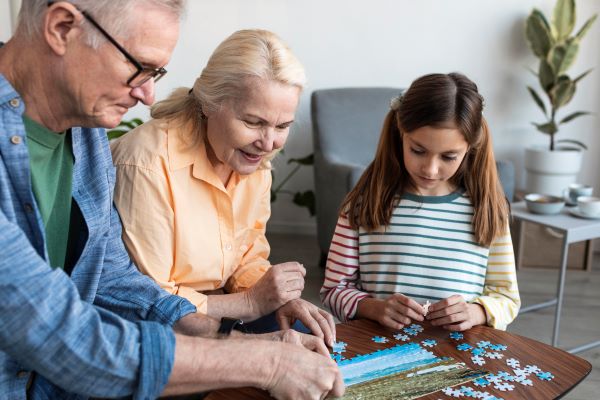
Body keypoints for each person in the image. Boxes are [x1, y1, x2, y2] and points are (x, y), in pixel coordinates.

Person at [0, 1, 343, 399]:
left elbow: (116, 281)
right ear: (61, 28)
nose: (149, 95)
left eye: (155, 73)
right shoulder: (135, 149)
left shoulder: (86, 131)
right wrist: (263, 361)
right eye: (139, 66)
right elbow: (62, 335)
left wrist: (235, 338)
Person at [110, 29, 336, 343]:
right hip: (155, 329)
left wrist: (283, 298)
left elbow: (246, 258)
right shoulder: (146, 161)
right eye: (253, 122)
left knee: (309, 335)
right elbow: (150, 303)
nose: (268, 142)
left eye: (282, 126)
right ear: (208, 104)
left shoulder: (254, 159)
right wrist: (251, 303)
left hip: (223, 308)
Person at [320, 73, 520, 332]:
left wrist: (476, 311)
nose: (430, 169)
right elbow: (334, 290)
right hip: (380, 355)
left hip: (461, 359)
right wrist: (375, 308)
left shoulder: (488, 210)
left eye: (448, 156)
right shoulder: (361, 205)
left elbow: (507, 298)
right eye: (418, 150)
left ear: (470, 148)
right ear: (400, 132)